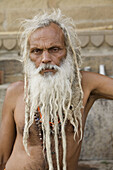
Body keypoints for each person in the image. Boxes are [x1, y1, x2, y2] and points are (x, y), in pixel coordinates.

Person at [0, 9, 113, 170]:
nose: (45, 59)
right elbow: (3, 157)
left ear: (68, 52)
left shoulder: (84, 85)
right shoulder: (16, 92)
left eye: (54, 49)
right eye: (37, 51)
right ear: (28, 56)